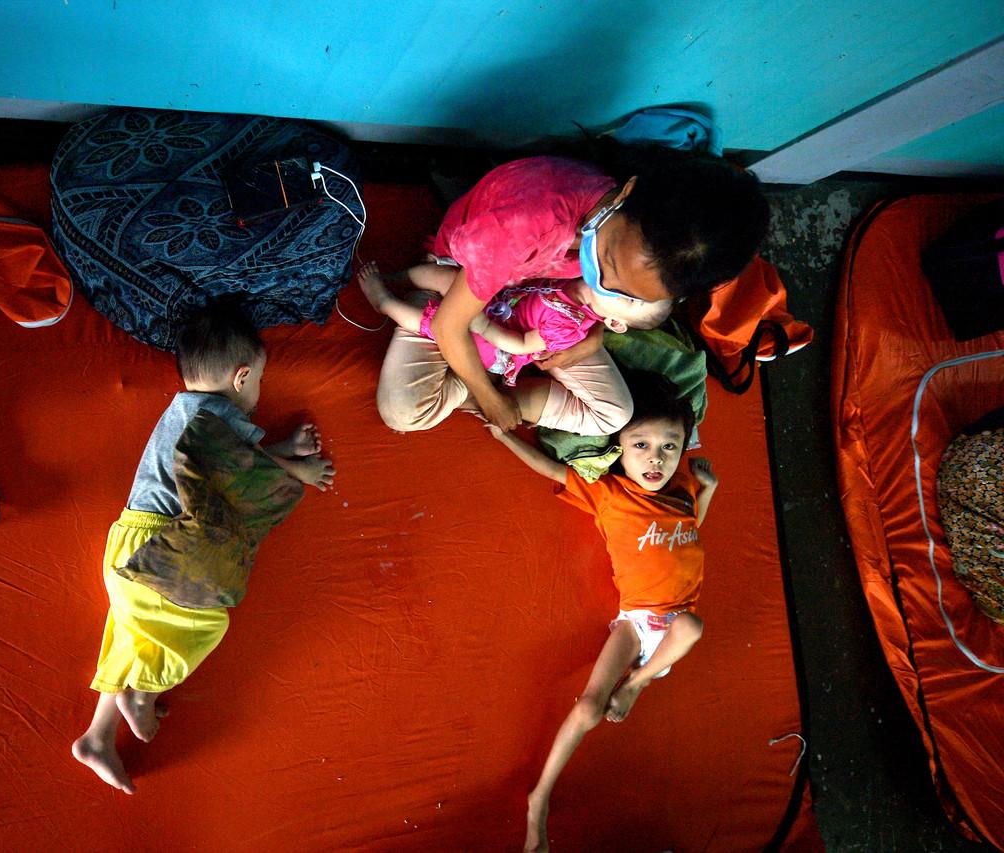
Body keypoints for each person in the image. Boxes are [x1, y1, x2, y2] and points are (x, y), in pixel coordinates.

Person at [71, 302, 335, 794]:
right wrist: (302, 469)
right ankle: (142, 695)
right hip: (166, 546)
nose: (257, 395)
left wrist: (284, 450)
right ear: (241, 378)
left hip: (132, 541)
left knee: (135, 638)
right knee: (200, 623)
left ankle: (97, 736)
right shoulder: (217, 414)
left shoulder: (183, 410)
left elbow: (226, 467)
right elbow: (244, 472)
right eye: (258, 381)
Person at [484, 373, 717, 853]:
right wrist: (505, 436)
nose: (655, 458)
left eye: (669, 447)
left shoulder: (681, 493)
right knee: (590, 707)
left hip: (670, 635)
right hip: (640, 624)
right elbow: (552, 470)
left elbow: (688, 534)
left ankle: (636, 683)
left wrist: (707, 490)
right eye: (641, 445)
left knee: (690, 625)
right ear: (619, 447)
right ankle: (540, 799)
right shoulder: (610, 494)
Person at [376, 151, 768, 435]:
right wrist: (489, 397)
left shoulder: (623, 251)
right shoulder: (525, 228)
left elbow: (604, 305)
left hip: (545, 320)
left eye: (630, 295)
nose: (602, 286)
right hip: (464, 293)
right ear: (625, 194)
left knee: (615, 415)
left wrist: (592, 333)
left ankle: (500, 379)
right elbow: (450, 325)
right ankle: (490, 384)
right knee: (403, 413)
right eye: (608, 265)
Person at [358, 260, 672, 421]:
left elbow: (521, 346)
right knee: (445, 277)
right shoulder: (587, 271)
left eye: (629, 301)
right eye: (629, 286)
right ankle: (396, 277)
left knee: (436, 323)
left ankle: (383, 302)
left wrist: (483, 327)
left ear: (615, 322)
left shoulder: (570, 327)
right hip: (498, 300)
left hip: (495, 339)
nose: (620, 290)